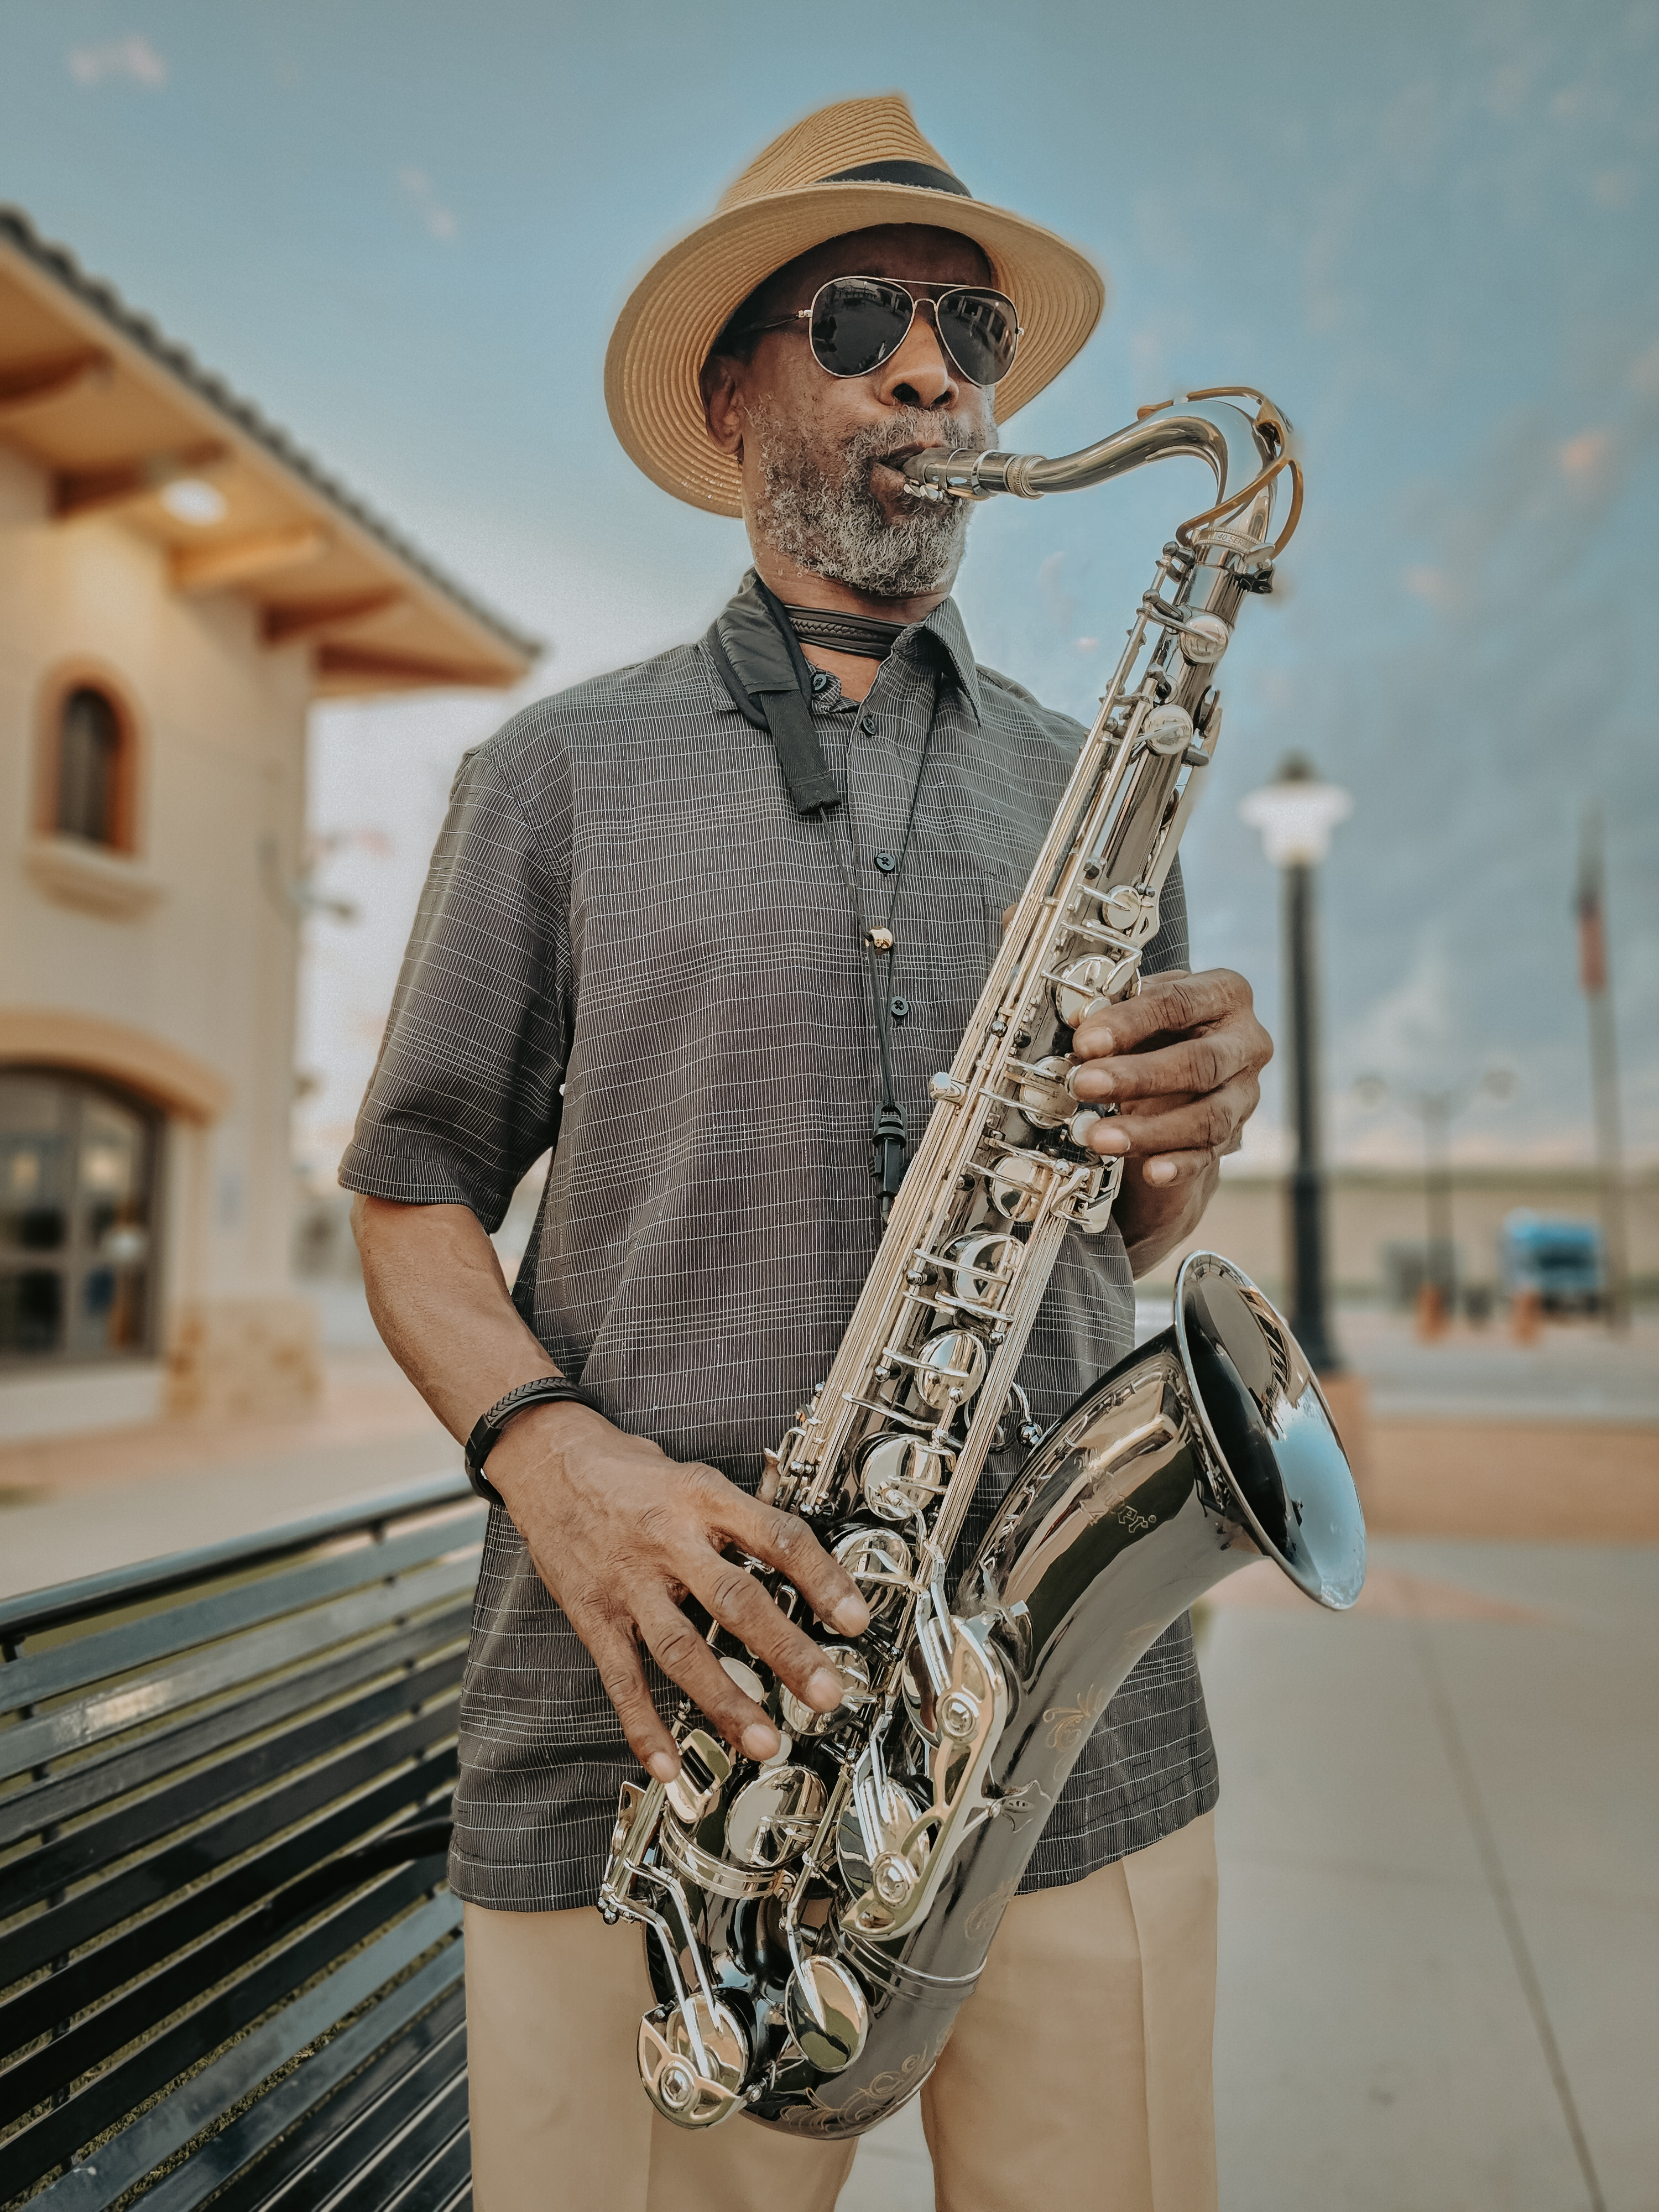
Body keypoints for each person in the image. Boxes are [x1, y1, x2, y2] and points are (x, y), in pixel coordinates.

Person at [344, 92, 1272, 2212]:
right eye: (863, 319)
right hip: (663, 1773)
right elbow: (409, 1195)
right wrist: (553, 1462)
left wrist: (1188, 1128)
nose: (934, 369)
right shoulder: (553, 772)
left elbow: (1127, 1219)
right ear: (735, 387)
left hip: (1075, 1757)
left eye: (971, 330)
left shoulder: (1092, 781)